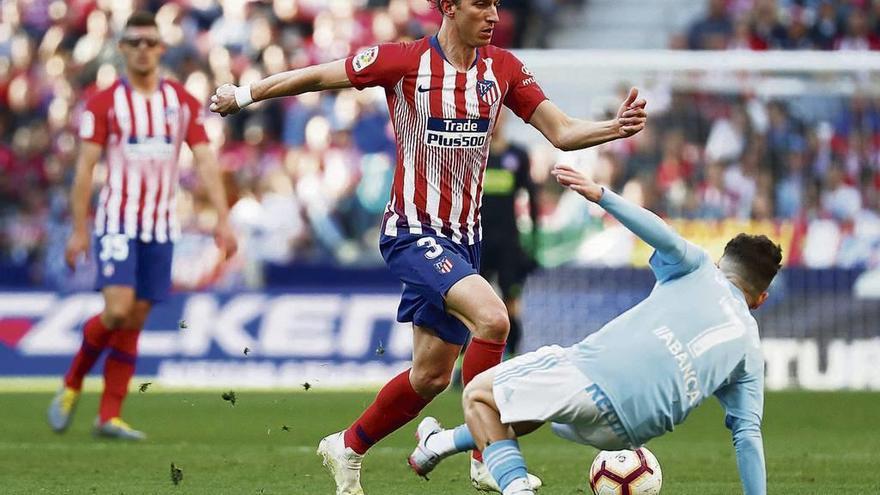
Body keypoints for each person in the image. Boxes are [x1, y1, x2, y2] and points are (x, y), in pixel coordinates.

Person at [209, 1, 646, 493]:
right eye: (481, 4)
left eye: (497, 5)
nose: (493, 15)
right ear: (449, 7)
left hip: (465, 242)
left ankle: (348, 445)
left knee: (431, 378)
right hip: (413, 232)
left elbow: (562, 132)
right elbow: (316, 76)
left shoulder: (502, 68)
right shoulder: (403, 61)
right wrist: (245, 93)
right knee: (494, 318)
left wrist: (614, 127)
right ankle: (488, 455)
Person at [408, 164, 781, 495]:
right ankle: (438, 444)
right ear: (761, 298)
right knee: (529, 395)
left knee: (478, 395)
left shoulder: (700, 268)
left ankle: (515, 488)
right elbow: (748, 437)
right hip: (633, 433)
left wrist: (602, 196)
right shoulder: (750, 350)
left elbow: (660, 232)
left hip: (598, 381)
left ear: (720, 263)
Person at [47, 11, 237, 440]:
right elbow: (85, 170)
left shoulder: (181, 103)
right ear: (122, 48)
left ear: (161, 49)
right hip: (116, 221)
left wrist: (223, 220)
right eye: (134, 41)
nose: (142, 49)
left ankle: (108, 416)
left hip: (161, 226)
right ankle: (73, 382)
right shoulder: (104, 102)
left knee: (134, 318)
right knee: (116, 310)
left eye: (150, 42)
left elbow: (206, 160)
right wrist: (80, 229)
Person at [479, 109, 538, 356]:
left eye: (500, 115)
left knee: (511, 301)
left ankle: (513, 355)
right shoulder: (472, 154)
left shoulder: (518, 155)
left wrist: (534, 237)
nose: (496, 120)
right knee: (471, 302)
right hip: (477, 240)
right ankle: (461, 364)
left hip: (508, 242)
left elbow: (531, 196)